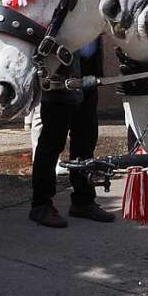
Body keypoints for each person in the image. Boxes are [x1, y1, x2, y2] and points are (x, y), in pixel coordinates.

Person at [29, 37, 114, 227]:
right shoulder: (59, 7)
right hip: (60, 78)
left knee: (86, 142)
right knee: (51, 145)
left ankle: (83, 201)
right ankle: (41, 205)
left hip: (88, 75)